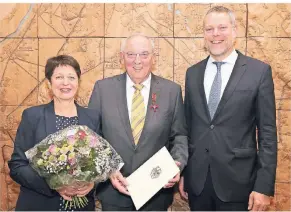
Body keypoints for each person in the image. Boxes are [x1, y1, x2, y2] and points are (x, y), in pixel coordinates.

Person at [179, 6, 278, 211]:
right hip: (198, 184)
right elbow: (187, 129)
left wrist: (264, 186)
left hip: (240, 184)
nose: (216, 34)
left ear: (235, 31)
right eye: (209, 29)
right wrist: (184, 174)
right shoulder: (193, 73)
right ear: (204, 34)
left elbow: (267, 133)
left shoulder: (258, 72)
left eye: (222, 27)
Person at [88, 34, 188, 211]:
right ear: (122, 57)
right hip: (113, 192)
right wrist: (109, 169)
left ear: (153, 58)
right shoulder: (103, 89)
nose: (137, 61)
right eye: (131, 54)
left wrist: (177, 164)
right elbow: (92, 138)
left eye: (144, 54)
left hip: (156, 194)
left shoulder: (171, 91)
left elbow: (179, 135)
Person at [8, 55, 100, 211]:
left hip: (81, 206)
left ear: (78, 82)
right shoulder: (33, 116)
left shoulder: (92, 118)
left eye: (71, 77)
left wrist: (91, 183)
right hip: (40, 204)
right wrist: (54, 185)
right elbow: (17, 166)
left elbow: (99, 164)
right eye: (59, 77)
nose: (66, 83)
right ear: (49, 83)